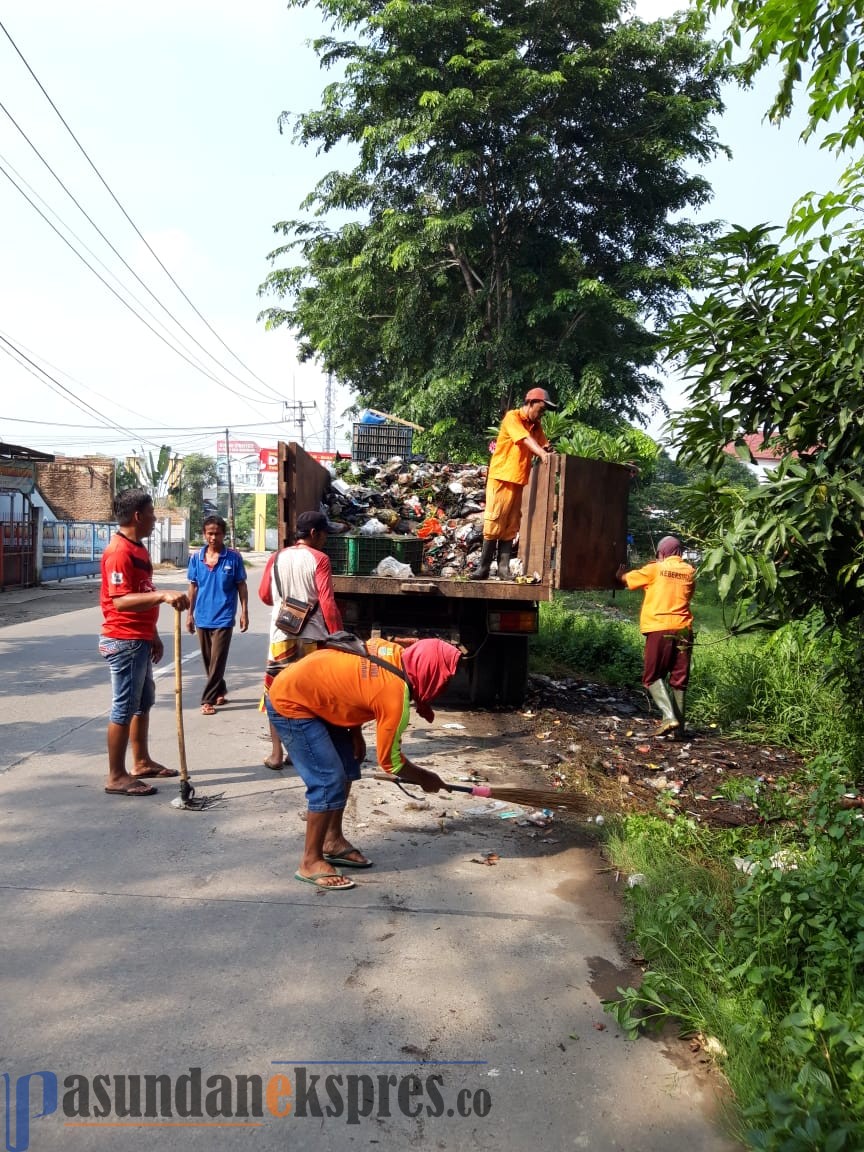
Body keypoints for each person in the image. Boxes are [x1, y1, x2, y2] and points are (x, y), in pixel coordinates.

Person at [266, 636, 461, 890]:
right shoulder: (395, 694)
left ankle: (332, 841)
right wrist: (426, 779)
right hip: (291, 702)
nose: (444, 684)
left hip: (316, 697)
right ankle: (310, 861)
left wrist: (355, 732)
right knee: (328, 780)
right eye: (444, 677)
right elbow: (391, 762)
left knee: (348, 767)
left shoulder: (395, 653)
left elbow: (354, 684)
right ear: (430, 670)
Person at [99, 488, 189, 796]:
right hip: (123, 639)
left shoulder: (137, 549)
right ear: (138, 516)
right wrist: (163, 595)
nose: (155, 519)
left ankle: (140, 761)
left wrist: (153, 634)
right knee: (124, 707)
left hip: (139, 638)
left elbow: (141, 592)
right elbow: (121, 601)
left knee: (142, 702)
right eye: (152, 513)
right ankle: (116, 775)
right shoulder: (119, 552)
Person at [257, 510, 344, 770]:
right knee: (309, 696)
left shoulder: (276, 557)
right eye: (325, 533)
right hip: (313, 638)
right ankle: (300, 753)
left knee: (276, 693)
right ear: (315, 533)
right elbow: (327, 603)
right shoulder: (320, 559)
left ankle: (275, 754)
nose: (327, 538)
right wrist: (339, 635)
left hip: (281, 635)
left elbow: (263, 595)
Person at [472, 387, 557, 580]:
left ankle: (503, 570)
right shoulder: (513, 417)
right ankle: (483, 568)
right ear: (529, 403)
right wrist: (542, 453)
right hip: (501, 476)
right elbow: (526, 440)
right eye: (541, 409)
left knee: (511, 524)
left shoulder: (536, 426)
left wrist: (548, 450)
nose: (541, 414)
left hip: (518, 480)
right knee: (495, 520)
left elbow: (543, 444)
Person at [617, 536, 696, 738]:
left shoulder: (655, 569)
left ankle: (669, 717)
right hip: (684, 630)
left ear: (661, 553)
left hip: (660, 628)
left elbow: (628, 580)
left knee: (652, 677)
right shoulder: (690, 571)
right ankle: (679, 730)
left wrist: (620, 575)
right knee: (679, 680)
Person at [185, 515, 249, 715]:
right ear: (204, 534)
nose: (213, 538)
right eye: (210, 533)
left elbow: (241, 586)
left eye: (217, 533)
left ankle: (208, 699)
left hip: (224, 616)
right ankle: (220, 689)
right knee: (208, 660)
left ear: (223, 535)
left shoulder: (233, 557)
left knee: (218, 658)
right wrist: (190, 614)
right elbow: (193, 587)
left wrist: (244, 612)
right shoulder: (196, 558)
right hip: (202, 616)